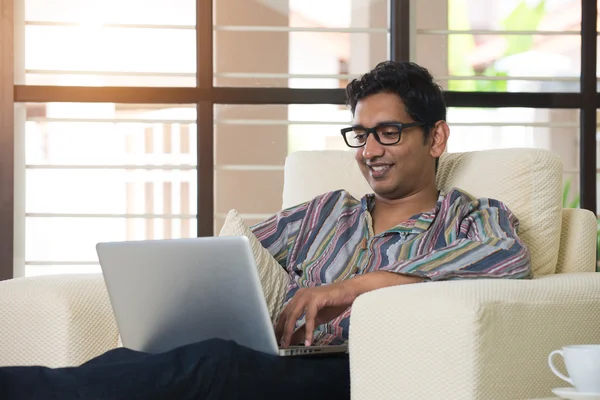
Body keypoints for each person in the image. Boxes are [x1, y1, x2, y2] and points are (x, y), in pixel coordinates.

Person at [0, 61, 532, 400]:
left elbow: (507, 260)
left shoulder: (472, 215)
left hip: (365, 373)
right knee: (139, 361)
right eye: (361, 135)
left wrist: (347, 288)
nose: (369, 152)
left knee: (212, 366)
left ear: (436, 137)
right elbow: (233, 260)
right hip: (284, 363)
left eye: (388, 133)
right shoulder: (325, 213)